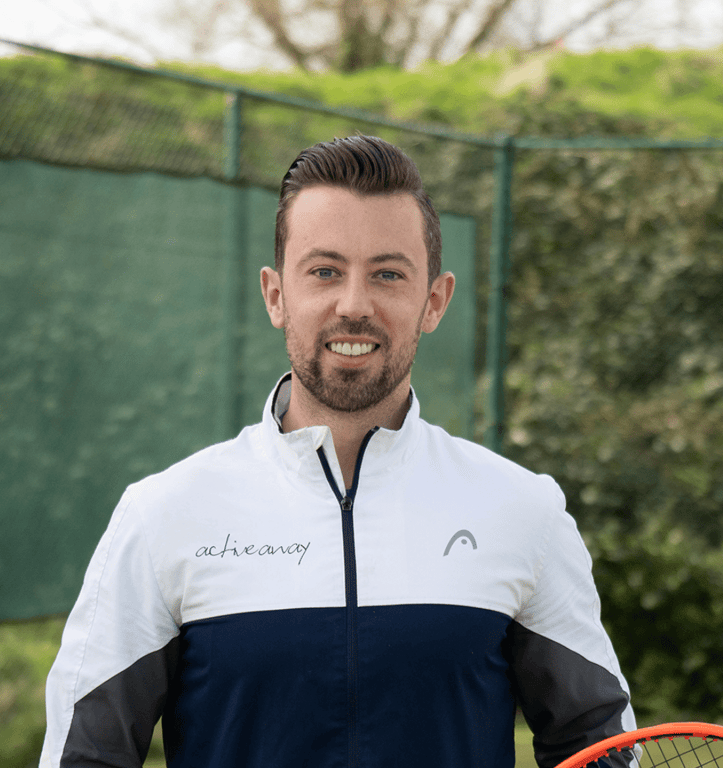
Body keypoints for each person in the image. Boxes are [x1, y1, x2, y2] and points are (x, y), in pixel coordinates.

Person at [40, 135, 636, 768]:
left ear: (434, 301)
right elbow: (85, 758)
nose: (354, 305)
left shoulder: (524, 510)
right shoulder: (162, 516)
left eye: (388, 274)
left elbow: (599, 746)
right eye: (324, 271)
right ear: (276, 295)